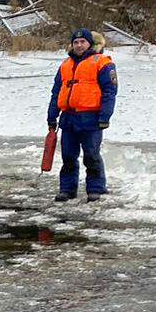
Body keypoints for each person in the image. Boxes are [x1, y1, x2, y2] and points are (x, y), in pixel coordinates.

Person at [46, 27, 117, 203]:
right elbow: (57, 92)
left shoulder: (102, 63)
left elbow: (110, 91)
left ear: (89, 43)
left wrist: (105, 116)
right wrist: (52, 116)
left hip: (91, 118)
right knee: (68, 156)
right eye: (76, 42)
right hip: (69, 118)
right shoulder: (65, 65)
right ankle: (67, 189)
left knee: (91, 155)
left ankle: (96, 188)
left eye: (82, 42)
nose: (78, 45)